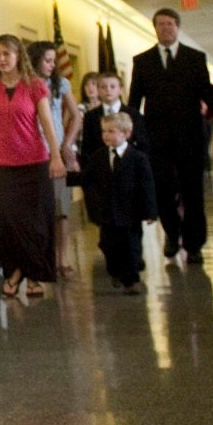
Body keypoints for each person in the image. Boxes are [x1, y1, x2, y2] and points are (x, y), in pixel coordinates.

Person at [127, 8, 213, 263]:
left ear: (178, 27)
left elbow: (208, 93)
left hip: (190, 135)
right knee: (163, 191)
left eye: (170, 23)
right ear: (155, 28)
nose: (166, 28)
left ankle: (194, 243)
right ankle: (172, 232)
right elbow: (135, 99)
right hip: (157, 138)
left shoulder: (194, 58)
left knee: (192, 191)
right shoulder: (142, 61)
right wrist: (130, 129)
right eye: (161, 24)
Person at [0, 35, 66, 299]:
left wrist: (56, 157)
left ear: (18, 56)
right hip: (2, 164)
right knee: (7, 223)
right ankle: (15, 271)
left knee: (35, 223)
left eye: (7, 54)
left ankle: (32, 275)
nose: (2, 59)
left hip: (35, 162)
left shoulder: (35, 86)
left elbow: (47, 123)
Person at [82, 112, 159, 293]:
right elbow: (88, 180)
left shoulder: (138, 158)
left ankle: (131, 281)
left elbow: (147, 185)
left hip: (130, 211)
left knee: (131, 246)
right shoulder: (98, 157)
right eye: (104, 131)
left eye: (111, 131)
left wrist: (151, 211)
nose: (106, 135)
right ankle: (116, 271)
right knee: (108, 245)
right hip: (107, 212)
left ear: (126, 133)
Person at [29, 41, 82, 280]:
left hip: (56, 151)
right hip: (31, 151)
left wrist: (67, 143)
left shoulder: (60, 84)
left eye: (53, 60)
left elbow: (76, 116)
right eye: (47, 60)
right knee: (39, 209)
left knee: (61, 209)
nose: (51, 65)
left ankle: (63, 257)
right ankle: (44, 257)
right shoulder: (26, 84)